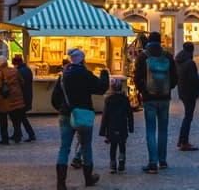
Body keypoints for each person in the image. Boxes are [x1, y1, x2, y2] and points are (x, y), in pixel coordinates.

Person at [51, 48, 109, 189]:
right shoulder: (86, 74)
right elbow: (101, 88)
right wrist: (104, 73)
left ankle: (61, 183)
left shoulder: (63, 76)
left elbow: (54, 99)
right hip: (83, 114)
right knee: (86, 146)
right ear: (82, 61)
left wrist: (63, 109)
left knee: (64, 148)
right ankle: (88, 178)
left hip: (65, 114)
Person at [133, 30, 177, 174]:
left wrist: (143, 91)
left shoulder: (143, 56)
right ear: (160, 41)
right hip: (164, 98)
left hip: (149, 98)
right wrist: (167, 88)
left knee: (151, 130)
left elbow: (136, 78)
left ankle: (153, 163)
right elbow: (175, 78)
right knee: (163, 130)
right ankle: (162, 161)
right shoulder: (168, 56)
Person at [99, 78, 134, 173]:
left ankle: (113, 165)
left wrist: (102, 131)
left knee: (113, 147)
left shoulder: (108, 100)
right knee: (122, 145)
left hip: (111, 127)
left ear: (112, 88)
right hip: (122, 126)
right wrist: (131, 127)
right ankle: (122, 162)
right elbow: (129, 114)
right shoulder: (125, 99)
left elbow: (105, 116)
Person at [0, 55, 26, 145]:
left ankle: (5, 139)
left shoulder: (0, 74)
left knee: (3, 121)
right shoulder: (15, 71)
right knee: (15, 119)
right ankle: (18, 136)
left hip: (5, 101)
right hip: (16, 99)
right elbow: (22, 82)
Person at [174, 41, 199, 151]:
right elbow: (192, 79)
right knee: (188, 117)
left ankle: (182, 140)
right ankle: (184, 141)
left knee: (187, 116)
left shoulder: (179, 60)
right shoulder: (190, 63)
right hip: (190, 92)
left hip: (182, 90)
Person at [12, 54, 37, 141]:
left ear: (16, 64)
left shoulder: (19, 71)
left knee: (21, 116)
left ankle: (30, 134)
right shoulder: (27, 69)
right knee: (20, 116)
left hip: (22, 97)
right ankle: (18, 134)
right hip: (27, 95)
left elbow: (19, 84)